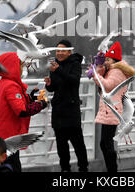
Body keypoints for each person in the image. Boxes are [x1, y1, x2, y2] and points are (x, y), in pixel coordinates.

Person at [0, 52, 48, 172]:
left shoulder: (5, 83)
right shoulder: (11, 86)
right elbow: (21, 111)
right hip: (7, 138)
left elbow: (17, 103)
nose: (22, 68)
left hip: (1, 136)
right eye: (20, 65)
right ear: (12, 66)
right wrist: (41, 104)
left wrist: (32, 98)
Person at [91, 41, 135, 172]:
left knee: (106, 143)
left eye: (108, 59)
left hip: (111, 110)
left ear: (115, 60)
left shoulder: (116, 71)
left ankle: (112, 170)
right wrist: (100, 68)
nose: (106, 62)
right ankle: (111, 169)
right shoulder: (116, 70)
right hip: (110, 109)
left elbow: (107, 85)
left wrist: (96, 75)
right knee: (105, 143)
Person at [44, 40, 89, 172]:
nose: (60, 53)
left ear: (69, 52)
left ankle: (83, 168)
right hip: (58, 110)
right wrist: (48, 83)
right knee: (61, 145)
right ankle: (65, 169)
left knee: (78, 143)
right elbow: (53, 88)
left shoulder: (75, 64)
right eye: (57, 51)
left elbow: (74, 81)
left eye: (63, 50)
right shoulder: (55, 65)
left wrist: (58, 70)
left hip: (71, 109)